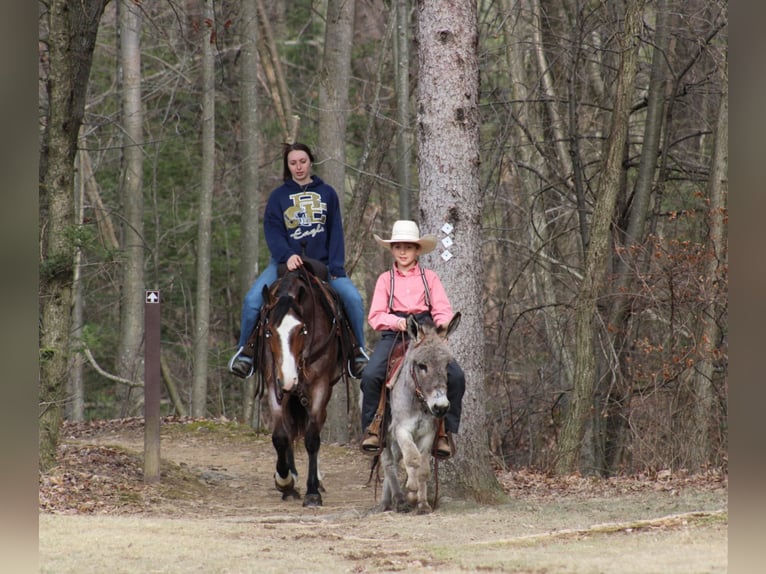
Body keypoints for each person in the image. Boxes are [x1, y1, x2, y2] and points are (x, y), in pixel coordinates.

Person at [228, 142, 369, 379]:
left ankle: (357, 353)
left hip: (323, 263)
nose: (298, 167)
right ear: (287, 165)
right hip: (284, 264)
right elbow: (272, 231)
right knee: (252, 300)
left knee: (353, 299)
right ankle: (246, 353)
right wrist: (287, 255)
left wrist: (335, 267)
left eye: (302, 161)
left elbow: (335, 231)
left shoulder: (328, 194)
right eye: (293, 163)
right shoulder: (278, 197)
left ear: (310, 161)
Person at [359, 220, 465, 458]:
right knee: (370, 375)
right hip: (394, 333)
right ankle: (373, 427)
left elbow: (441, 310)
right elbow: (375, 316)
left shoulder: (430, 278)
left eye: (408, 247)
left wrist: (442, 330)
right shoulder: (386, 280)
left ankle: (444, 433)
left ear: (417, 250)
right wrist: (398, 322)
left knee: (457, 376)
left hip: (427, 334)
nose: (403, 252)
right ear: (392, 250)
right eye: (398, 247)